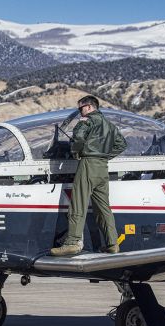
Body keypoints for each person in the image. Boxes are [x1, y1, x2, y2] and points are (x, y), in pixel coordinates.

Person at [51, 95, 126, 256]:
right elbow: (121, 144)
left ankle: (71, 242)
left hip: (88, 165)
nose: (80, 113)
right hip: (102, 167)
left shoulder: (87, 121)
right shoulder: (110, 125)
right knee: (104, 208)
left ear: (90, 107)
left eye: (81, 109)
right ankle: (113, 243)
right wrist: (104, 155)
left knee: (78, 204)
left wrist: (76, 152)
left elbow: (78, 137)